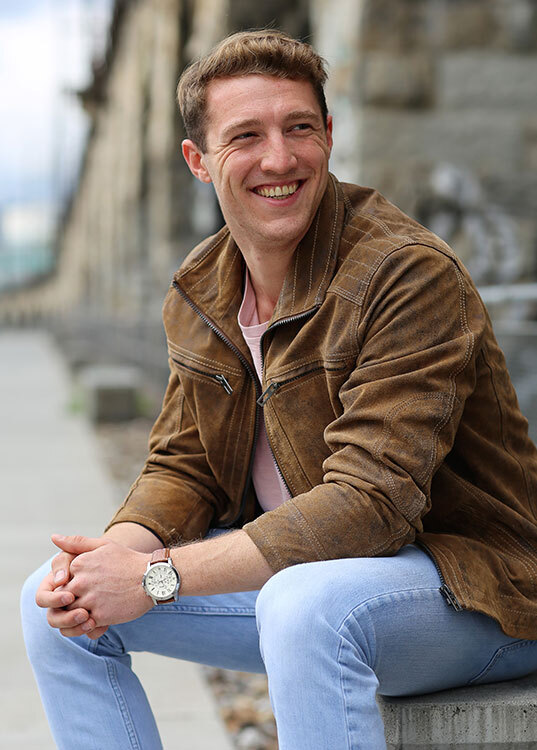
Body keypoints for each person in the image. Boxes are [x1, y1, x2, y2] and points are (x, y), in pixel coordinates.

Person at [21, 30, 537, 750]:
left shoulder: (404, 273)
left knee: (303, 606)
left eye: (299, 128)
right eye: (246, 136)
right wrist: (111, 563)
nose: (279, 158)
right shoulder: (202, 287)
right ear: (198, 161)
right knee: (52, 602)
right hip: (322, 585)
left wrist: (156, 576)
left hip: (481, 593)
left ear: (329, 135)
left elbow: (369, 506)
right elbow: (184, 467)